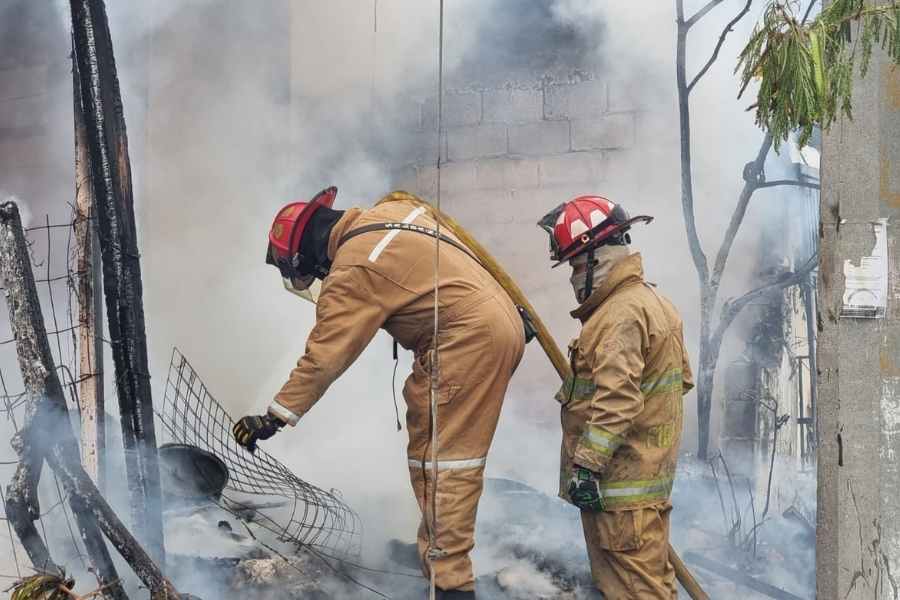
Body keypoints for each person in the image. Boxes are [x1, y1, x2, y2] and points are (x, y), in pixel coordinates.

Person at [233, 187, 525, 599]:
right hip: (499, 320)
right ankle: (436, 554)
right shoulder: (393, 211)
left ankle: (452, 585)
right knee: (434, 450)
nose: (314, 279)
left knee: (445, 464)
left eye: (304, 272)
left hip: (466, 340)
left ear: (306, 255)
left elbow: (325, 357)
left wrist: (274, 417)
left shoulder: (353, 269)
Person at [537, 196, 694, 600]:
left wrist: (586, 468)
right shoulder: (653, 303)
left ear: (597, 258)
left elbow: (619, 401)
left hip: (618, 495)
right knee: (646, 588)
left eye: (574, 265)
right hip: (641, 489)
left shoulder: (620, 315)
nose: (572, 278)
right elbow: (674, 384)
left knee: (636, 593)